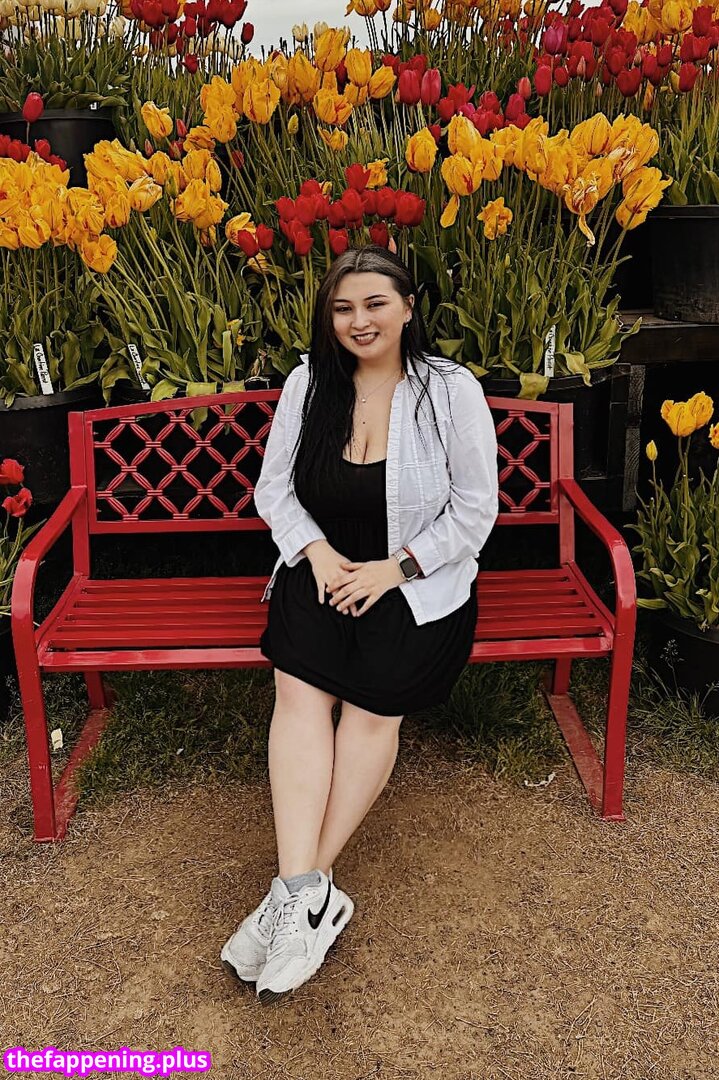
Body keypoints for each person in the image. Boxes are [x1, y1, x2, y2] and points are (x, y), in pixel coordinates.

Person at [220, 244, 499, 1005]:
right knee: (299, 695)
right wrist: (315, 553)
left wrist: (393, 569)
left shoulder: (449, 391)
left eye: (375, 303)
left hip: (416, 581)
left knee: (373, 705)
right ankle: (305, 893)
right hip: (324, 566)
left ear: (408, 308)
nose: (358, 321)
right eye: (343, 308)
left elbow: (475, 511)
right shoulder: (309, 384)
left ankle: (297, 893)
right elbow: (274, 491)